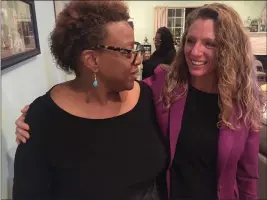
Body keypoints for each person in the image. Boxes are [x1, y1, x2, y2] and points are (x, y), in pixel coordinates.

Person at [15, 3, 265, 200]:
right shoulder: (162, 89)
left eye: (210, 43)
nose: (195, 51)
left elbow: (247, 175)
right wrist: (34, 115)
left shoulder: (243, 101)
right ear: (92, 60)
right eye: (190, 40)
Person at [12, 1, 167, 200]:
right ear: (92, 60)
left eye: (136, 48)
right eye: (128, 51)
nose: (138, 59)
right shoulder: (44, 118)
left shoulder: (147, 97)